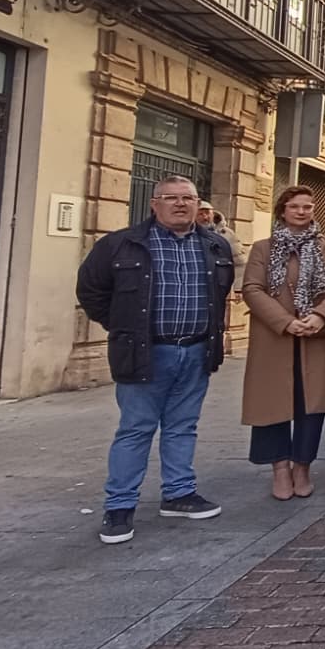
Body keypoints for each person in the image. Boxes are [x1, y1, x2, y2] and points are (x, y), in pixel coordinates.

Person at [78, 175, 235, 545]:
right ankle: (119, 507)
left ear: (199, 205)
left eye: (188, 198)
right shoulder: (122, 245)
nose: (180, 204)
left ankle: (178, 493)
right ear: (154, 203)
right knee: (136, 428)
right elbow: (91, 290)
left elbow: (221, 292)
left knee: (184, 426)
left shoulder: (214, 246)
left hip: (195, 350)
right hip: (145, 352)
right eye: (171, 198)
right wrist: (123, 326)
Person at [242, 185, 325, 501]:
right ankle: (279, 468)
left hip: (315, 338)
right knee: (272, 406)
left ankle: (301, 466)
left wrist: (320, 316)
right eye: (295, 207)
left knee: (310, 407)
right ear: (282, 211)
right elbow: (252, 288)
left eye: (308, 206)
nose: (302, 212)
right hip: (274, 339)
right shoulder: (264, 247)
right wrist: (285, 321)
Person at [197, 201, 246, 266]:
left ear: (213, 214)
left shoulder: (227, 233)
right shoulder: (189, 235)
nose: (205, 217)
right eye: (200, 214)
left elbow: (240, 261)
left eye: (207, 213)